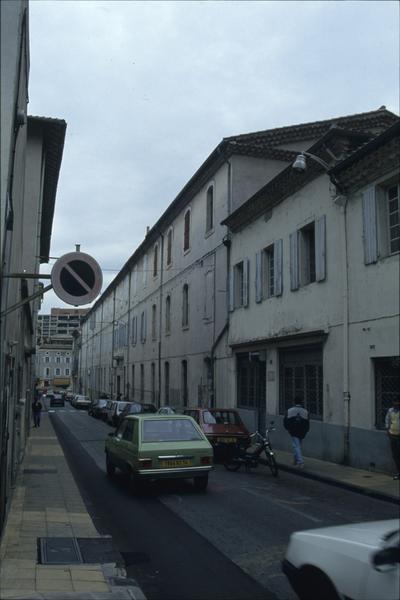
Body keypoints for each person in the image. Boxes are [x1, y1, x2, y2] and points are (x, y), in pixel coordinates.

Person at [284, 396, 310, 468]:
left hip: (293, 430)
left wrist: (288, 429)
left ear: (294, 402)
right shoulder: (305, 411)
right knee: (297, 445)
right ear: (301, 402)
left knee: (296, 445)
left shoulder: (290, 411)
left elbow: (285, 421)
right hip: (302, 431)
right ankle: (295, 460)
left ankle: (300, 462)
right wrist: (306, 431)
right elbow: (307, 423)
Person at [385, 396, 400, 480]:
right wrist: (388, 429)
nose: (396, 404)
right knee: (395, 455)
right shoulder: (390, 411)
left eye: (397, 402)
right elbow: (387, 419)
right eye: (395, 402)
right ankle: (398, 472)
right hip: (393, 435)